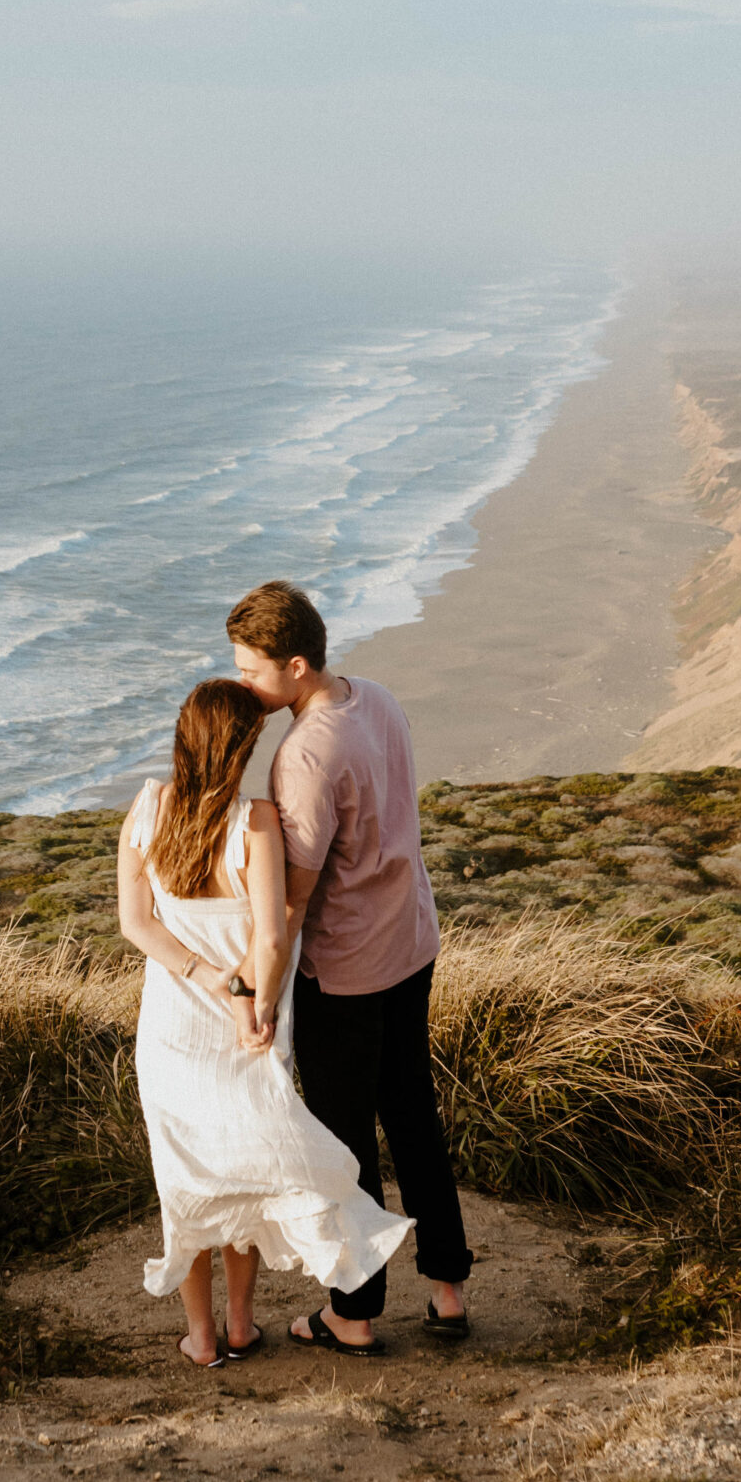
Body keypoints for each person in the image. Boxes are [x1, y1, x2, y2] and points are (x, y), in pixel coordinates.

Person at [116, 676, 411, 1368]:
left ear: (182, 738)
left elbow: (135, 923)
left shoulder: (148, 809)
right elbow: (276, 935)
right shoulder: (256, 821)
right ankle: (243, 1325)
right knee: (241, 1170)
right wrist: (251, 1001)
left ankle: (203, 1338)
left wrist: (203, 977)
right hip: (250, 1023)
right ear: (245, 746)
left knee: (188, 1176)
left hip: (173, 1027)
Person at [227, 580, 473, 1355]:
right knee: (413, 1114)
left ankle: (354, 1313)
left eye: (250, 668)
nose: (241, 683)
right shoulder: (376, 697)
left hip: (346, 968)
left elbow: (293, 901)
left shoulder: (303, 755)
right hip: (411, 939)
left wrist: (254, 986)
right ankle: (447, 1291)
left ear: (294, 665)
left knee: (345, 1142)